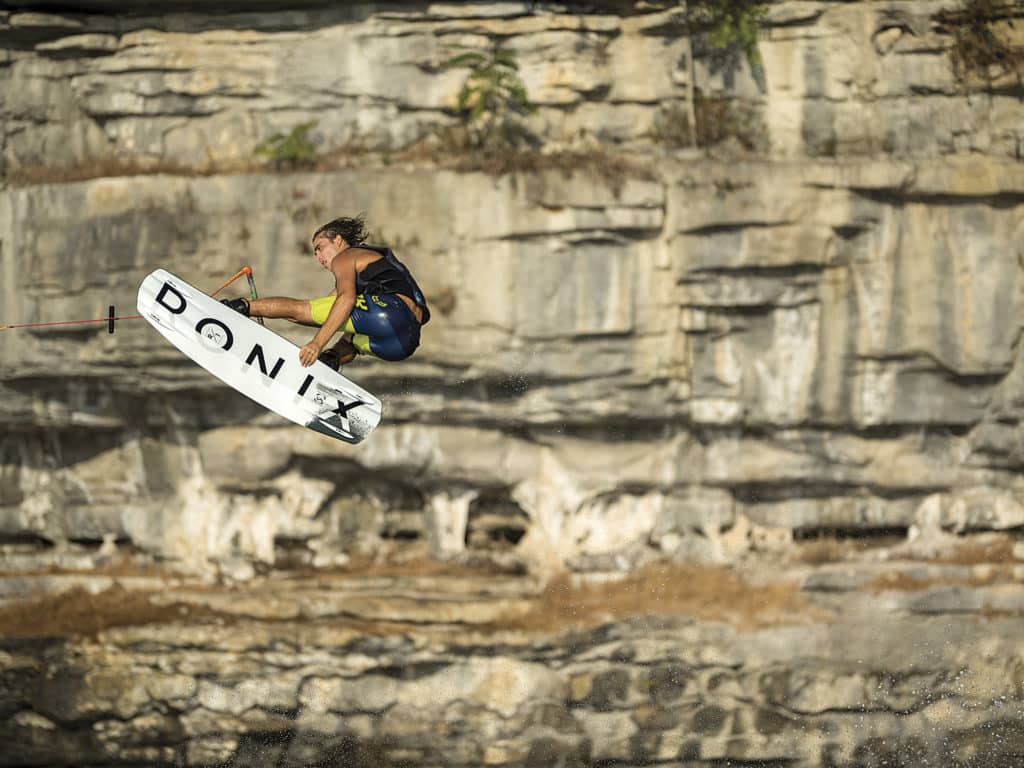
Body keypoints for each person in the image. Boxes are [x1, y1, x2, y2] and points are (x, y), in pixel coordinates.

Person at [220, 215, 430, 369]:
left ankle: (236, 307)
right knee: (346, 337)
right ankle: (330, 362)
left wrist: (316, 343)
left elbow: (345, 299)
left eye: (320, 247)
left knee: (302, 309)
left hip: (390, 313)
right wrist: (324, 346)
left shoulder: (346, 256)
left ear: (338, 240)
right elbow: (327, 312)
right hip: (403, 343)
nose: (318, 257)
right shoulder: (370, 263)